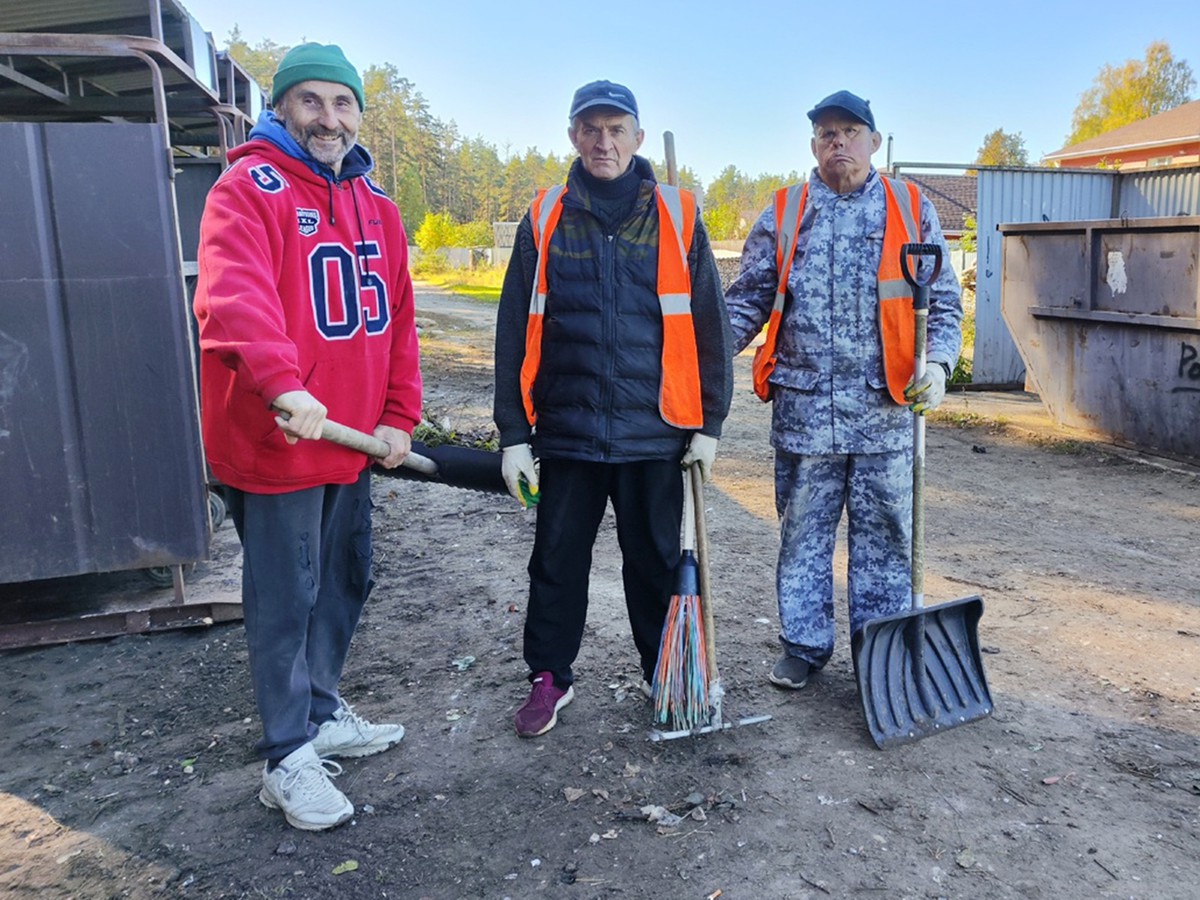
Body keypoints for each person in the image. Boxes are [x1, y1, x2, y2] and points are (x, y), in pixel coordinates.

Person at [194, 42, 422, 830]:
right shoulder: (245, 188)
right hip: (278, 441)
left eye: (343, 103)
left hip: (351, 442)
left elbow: (398, 326)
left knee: (344, 581)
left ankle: (322, 711)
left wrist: (398, 417)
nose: (329, 119)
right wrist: (283, 385)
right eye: (312, 102)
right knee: (284, 600)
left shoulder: (379, 208)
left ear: (359, 113)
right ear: (284, 107)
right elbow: (234, 299)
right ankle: (286, 755)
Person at [493, 80, 733, 738]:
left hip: (654, 430)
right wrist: (514, 433)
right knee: (556, 560)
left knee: (654, 563)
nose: (604, 141)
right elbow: (514, 329)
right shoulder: (543, 218)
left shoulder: (678, 217)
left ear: (637, 137)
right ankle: (549, 677)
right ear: (573, 135)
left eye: (616, 128)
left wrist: (709, 424)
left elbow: (710, 327)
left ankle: (667, 675)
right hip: (566, 431)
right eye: (590, 128)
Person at [723, 90, 962, 691]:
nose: (839, 143)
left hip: (887, 412)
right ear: (812, 145)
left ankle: (879, 655)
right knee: (802, 532)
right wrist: (693, 355)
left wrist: (937, 364)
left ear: (875, 142)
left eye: (851, 132)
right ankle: (803, 645)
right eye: (827, 133)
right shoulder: (785, 211)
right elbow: (747, 298)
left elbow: (945, 303)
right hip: (805, 412)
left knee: (886, 539)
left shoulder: (912, 207)